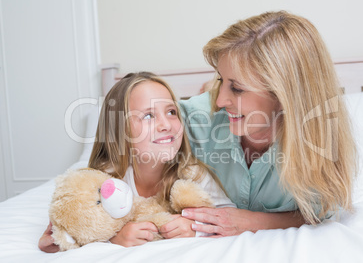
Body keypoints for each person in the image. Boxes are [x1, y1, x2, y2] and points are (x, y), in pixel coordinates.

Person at [179, 10, 357, 236]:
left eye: (237, 88)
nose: (221, 100)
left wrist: (254, 221)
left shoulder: (320, 151)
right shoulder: (198, 118)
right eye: (221, 81)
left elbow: (324, 209)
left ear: (285, 96)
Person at [38, 72, 234, 252]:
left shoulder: (192, 174)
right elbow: (62, 236)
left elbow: (228, 216)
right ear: (120, 130)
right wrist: (114, 239)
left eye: (171, 112)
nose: (166, 125)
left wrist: (195, 229)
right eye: (148, 115)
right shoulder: (106, 180)